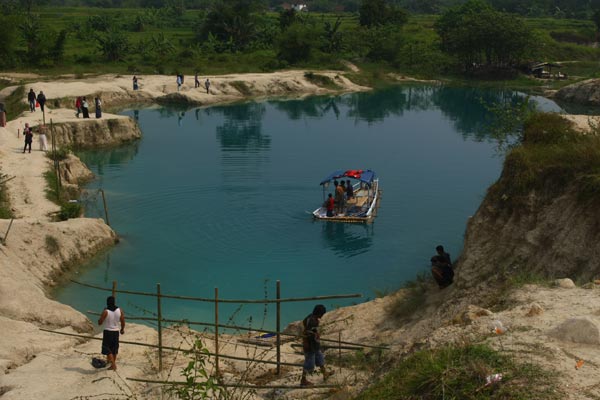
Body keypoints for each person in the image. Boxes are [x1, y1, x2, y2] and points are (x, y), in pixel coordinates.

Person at [300, 304, 333, 386]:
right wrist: (305, 342)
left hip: (315, 344)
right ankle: (303, 380)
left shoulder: (313, 318)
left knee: (320, 359)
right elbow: (305, 332)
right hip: (310, 346)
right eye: (322, 314)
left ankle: (325, 373)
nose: (322, 315)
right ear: (319, 313)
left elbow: (313, 331)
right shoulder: (311, 320)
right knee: (309, 364)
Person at [98, 296, 125, 371]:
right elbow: (122, 321)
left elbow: (100, 322)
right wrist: (122, 329)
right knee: (114, 349)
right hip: (116, 331)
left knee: (106, 348)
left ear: (107, 302)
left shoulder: (106, 311)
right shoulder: (119, 310)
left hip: (108, 331)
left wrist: (102, 313)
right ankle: (112, 363)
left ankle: (113, 365)